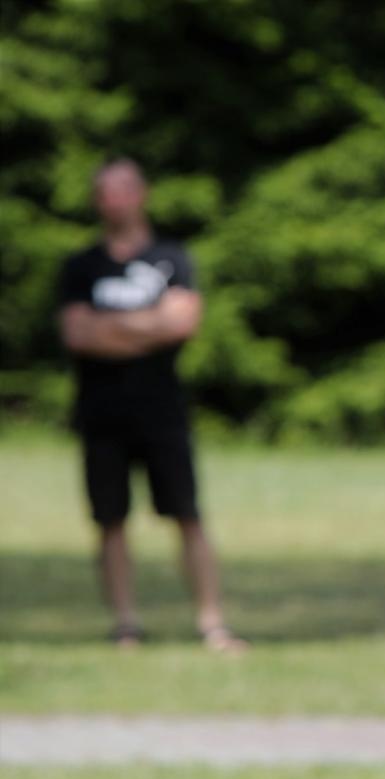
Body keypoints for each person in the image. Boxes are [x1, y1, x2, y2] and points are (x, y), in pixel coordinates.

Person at [56, 157, 245, 652]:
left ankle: (211, 621)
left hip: (162, 410)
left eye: (125, 190)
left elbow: (183, 323)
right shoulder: (82, 266)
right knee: (110, 520)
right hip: (101, 412)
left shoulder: (172, 257)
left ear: (143, 195)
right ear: (99, 201)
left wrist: (112, 327)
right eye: (107, 192)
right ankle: (126, 624)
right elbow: (78, 333)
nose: (116, 200)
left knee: (187, 514)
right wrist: (149, 325)